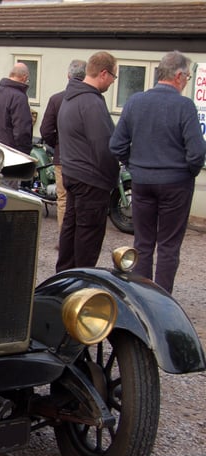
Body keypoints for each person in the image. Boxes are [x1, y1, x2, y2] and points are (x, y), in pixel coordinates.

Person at [109, 51, 206, 293]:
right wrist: (187, 172)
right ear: (179, 76)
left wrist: (135, 166)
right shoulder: (184, 106)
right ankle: (162, 301)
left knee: (142, 242)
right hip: (176, 183)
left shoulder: (135, 102)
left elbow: (116, 145)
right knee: (169, 246)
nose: (187, 82)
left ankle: (143, 297)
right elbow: (196, 152)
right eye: (187, 77)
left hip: (142, 181)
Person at [55, 51, 119, 272]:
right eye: (113, 77)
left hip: (72, 174)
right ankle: (81, 291)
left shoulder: (70, 98)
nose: (112, 82)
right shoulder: (91, 102)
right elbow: (104, 146)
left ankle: (63, 284)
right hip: (92, 180)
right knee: (87, 240)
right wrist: (112, 177)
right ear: (103, 73)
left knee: (70, 232)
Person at [40, 59, 86, 231]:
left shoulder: (56, 99)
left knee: (63, 199)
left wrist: (57, 144)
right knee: (81, 199)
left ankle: (64, 236)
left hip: (62, 157)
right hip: (84, 159)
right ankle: (78, 236)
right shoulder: (93, 99)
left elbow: (45, 130)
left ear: (68, 76)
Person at [0, 62, 33, 154]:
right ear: (24, 77)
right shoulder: (19, 98)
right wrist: (25, 152)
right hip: (10, 153)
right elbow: (21, 131)